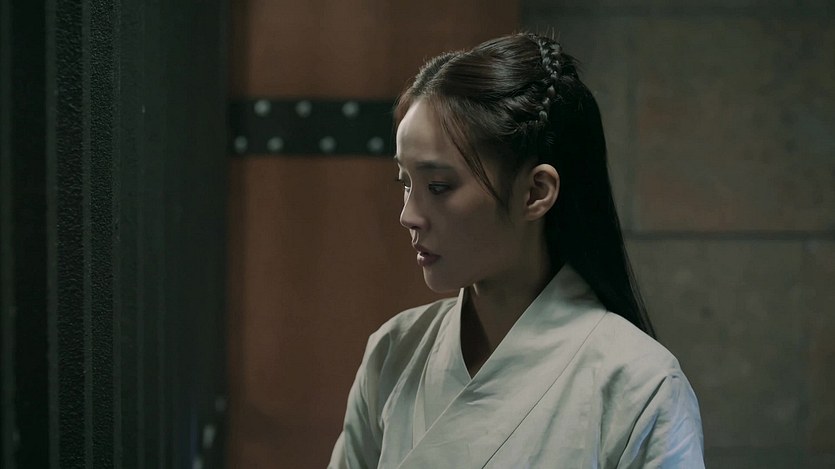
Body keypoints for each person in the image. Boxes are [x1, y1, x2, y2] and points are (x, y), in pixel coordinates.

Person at [329, 32, 704, 468]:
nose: (408, 215)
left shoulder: (640, 385)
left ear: (535, 192)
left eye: (438, 186)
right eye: (406, 184)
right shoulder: (394, 352)